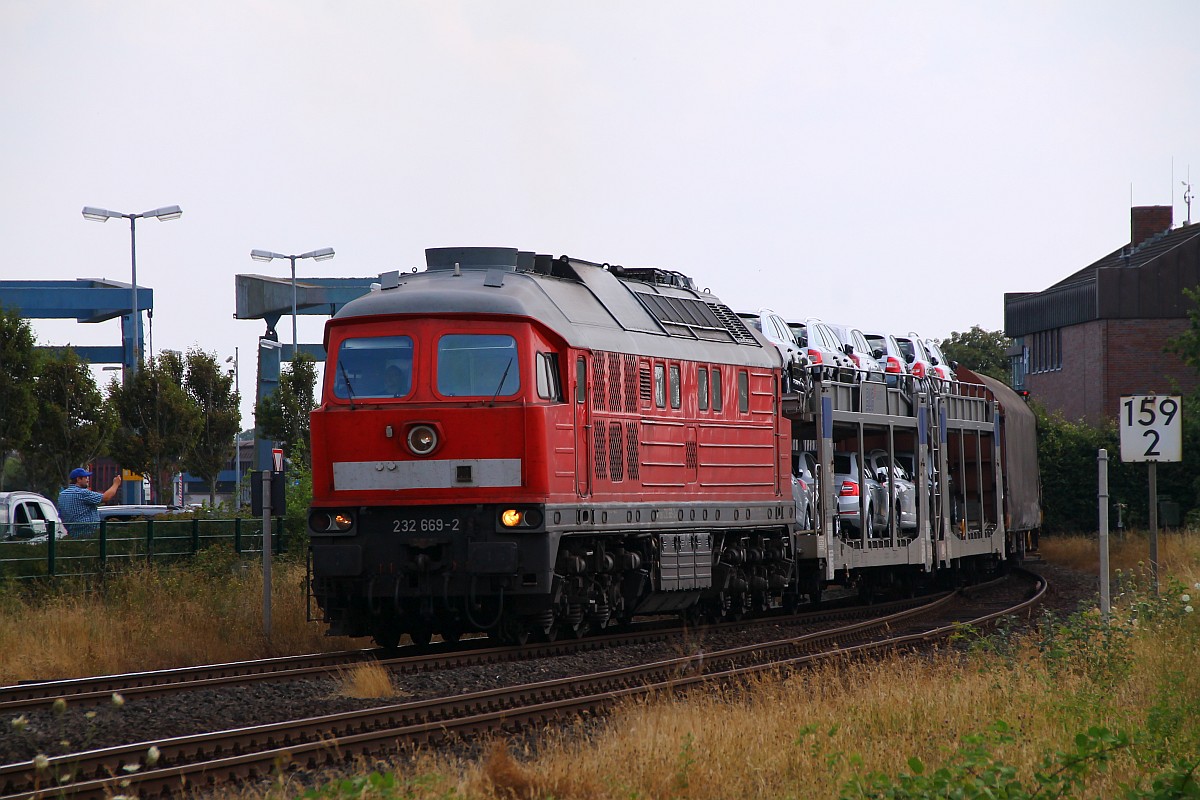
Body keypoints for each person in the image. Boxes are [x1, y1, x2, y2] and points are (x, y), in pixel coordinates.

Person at [57, 467, 121, 538]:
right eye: (85, 477)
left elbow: (60, 514)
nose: (88, 479)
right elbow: (106, 497)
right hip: (88, 534)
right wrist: (116, 484)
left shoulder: (62, 494)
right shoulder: (82, 492)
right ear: (78, 479)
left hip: (72, 534)